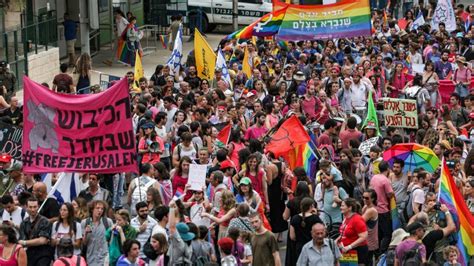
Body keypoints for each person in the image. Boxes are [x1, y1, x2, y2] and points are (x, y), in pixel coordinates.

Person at [19, 197, 53, 266]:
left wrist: (25, 242)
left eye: (35, 207)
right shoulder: (24, 222)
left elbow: (42, 240)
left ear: (38, 207)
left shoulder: (45, 221)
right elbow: (22, 240)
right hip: (29, 253)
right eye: (30, 207)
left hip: (43, 254)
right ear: (26, 207)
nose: (33, 209)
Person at [369, 161, 394, 254]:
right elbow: (390, 194)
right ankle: (382, 252)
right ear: (388, 169)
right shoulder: (385, 180)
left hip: (374, 209)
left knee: (378, 233)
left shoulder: (374, 177)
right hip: (383, 210)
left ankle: (376, 252)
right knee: (387, 234)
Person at [289, 197, 323, 264]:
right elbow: (322, 230)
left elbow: (292, 236)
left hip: (299, 246)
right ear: (311, 206)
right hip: (313, 246)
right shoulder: (315, 218)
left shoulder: (294, 218)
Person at [337, 198, 369, 266]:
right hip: (346, 251)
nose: (340, 208)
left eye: (343, 206)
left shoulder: (357, 219)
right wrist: (336, 241)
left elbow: (364, 236)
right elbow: (344, 233)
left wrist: (349, 246)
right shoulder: (346, 218)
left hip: (358, 251)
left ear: (350, 208)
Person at [81, 200, 113, 266]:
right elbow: (83, 243)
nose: (100, 210)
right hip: (90, 258)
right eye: (97, 208)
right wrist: (86, 233)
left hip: (104, 258)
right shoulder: (85, 222)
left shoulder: (108, 222)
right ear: (92, 209)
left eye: (102, 209)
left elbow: (112, 241)